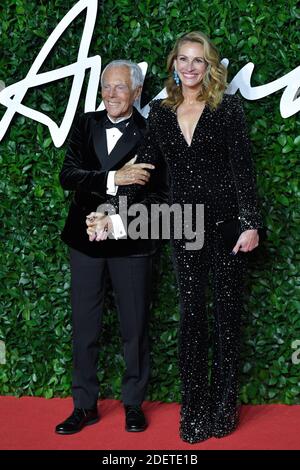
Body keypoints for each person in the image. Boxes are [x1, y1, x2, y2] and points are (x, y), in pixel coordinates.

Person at [86, 32, 263, 444]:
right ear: (173, 65)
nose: (189, 67)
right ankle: (195, 410)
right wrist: (114, 210)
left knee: (227, 317)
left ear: (210, 67)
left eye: (198, 60)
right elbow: (144, 168)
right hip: (184, 225)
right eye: (183, 59)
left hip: (226, 227)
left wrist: (250, 223)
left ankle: (224, 407)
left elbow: (243, 169)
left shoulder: (227, 107)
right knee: (192, 320)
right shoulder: (161, 113)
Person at [55, 60, 168, 435]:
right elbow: (68, 175)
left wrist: (114, 215)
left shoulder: (153, 131)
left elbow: (157, 195)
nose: (111, 94)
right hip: (84, 241)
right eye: (106, 87)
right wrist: (111, 178)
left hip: (132, 244)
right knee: (84, 327)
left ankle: (133, 404)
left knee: (134, 327)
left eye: (120, 87)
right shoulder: (86, 123)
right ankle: (83, 405)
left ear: (136, 92)